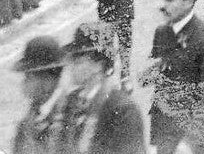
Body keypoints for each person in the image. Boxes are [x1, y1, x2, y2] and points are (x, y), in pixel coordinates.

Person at [143, 0, 204, 154]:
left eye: (170, 0)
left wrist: (187, 142)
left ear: (189, 3)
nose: (163, 6)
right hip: (166, 132)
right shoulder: (162, 32)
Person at [51, 22, 146, 154]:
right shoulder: (71, 100)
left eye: (78, 60)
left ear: (98, 65)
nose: (71, 65)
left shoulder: (123, 109)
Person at [12, 35, 66, 154]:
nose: (24, 82)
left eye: (28, 77)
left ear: (46, 80)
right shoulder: (29, 117)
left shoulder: (68, 113)